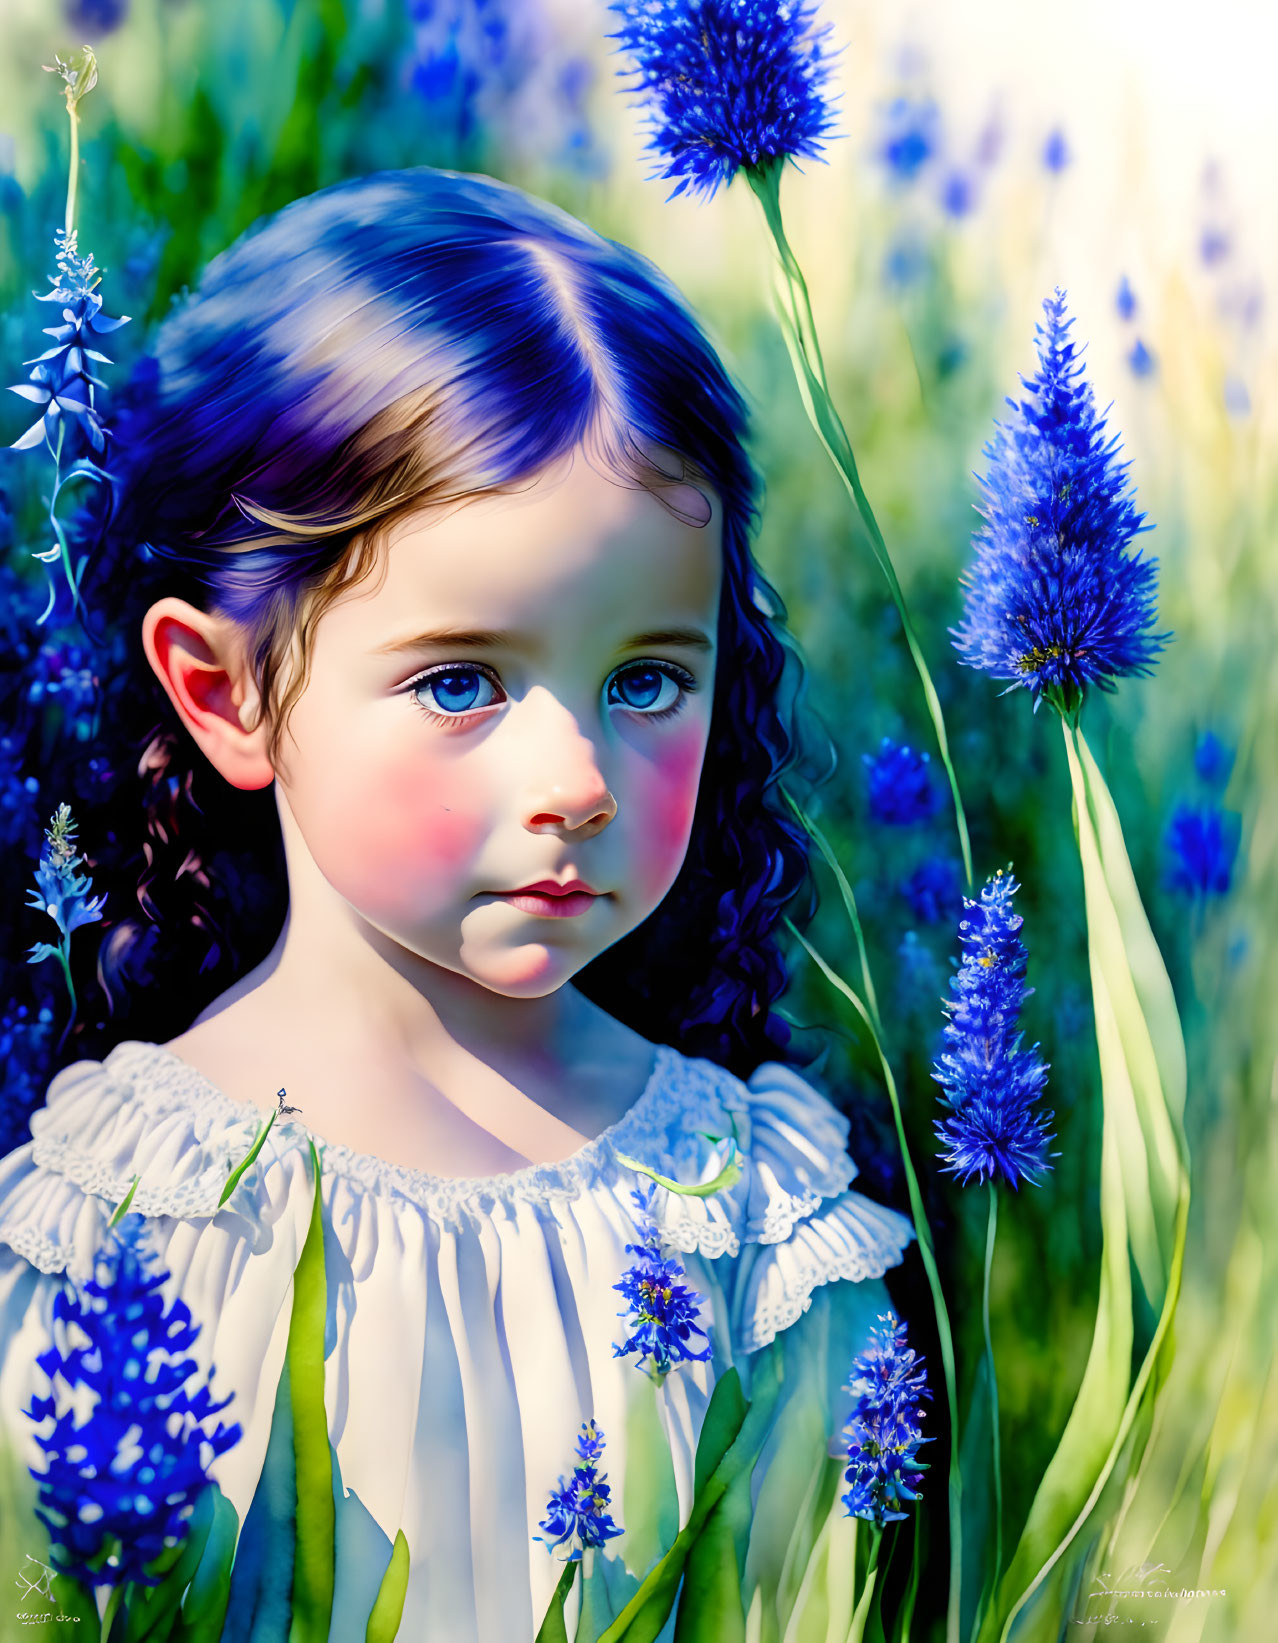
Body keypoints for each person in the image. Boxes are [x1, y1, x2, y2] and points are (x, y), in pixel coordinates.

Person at [0, 168, 913, 1641]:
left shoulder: (750, 1225)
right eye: (461, 683)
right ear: (226, 691)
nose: (578, 780)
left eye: (645, 682)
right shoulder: (127, 1225)